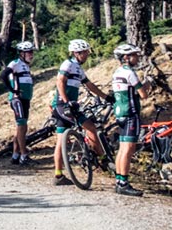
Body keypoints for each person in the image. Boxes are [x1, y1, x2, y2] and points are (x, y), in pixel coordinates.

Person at [51, 39, 114, 186]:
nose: (87, 55)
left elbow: (89, 85)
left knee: (61, 140)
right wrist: (67, 101)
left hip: (62, 106)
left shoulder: (77, 68)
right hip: (64, 105)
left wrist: (105, 97)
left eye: (87, 52)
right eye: (85, 53)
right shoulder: (68, 64)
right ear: (76, 53)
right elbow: (60, 82)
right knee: (91, 128)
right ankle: (103, 160)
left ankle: (58, 175)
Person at [109, 43, 150, 196]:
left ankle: (119, 180)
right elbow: (143, 94)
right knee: (128, 149)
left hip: (119, 112)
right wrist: (147, 84)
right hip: (131, 113)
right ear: (126, 57)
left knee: (122, 148)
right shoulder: (129, 72)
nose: (137, 58)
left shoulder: (117, 72)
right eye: (134, 55)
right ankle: (123, 183)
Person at [0, 41, 36, 165]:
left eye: (32, 52)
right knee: (21, 125)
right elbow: (3, 75)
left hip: (25, 99)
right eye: (29, 52)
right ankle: (24, 155)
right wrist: (12, 90)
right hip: (17, 99)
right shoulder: (15, 63)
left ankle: (15, 155)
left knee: (22, 128)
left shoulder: (26, 65)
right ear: (21, 53)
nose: (31, 54)